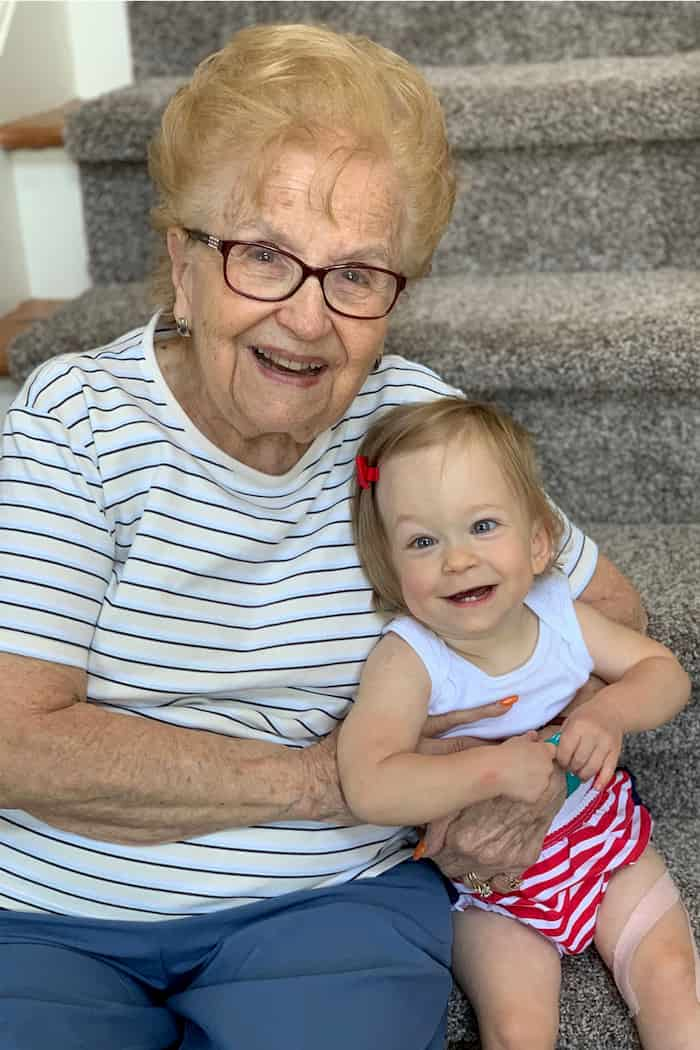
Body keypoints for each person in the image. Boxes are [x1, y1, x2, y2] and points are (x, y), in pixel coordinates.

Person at [0, 23, 647, 1050]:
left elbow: (607, 613)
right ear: (182, 264)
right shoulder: (74, 423)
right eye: (263, 256)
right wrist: (330, 780)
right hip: (45, 916)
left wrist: (525, 766)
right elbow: (17, 736)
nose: (307, 321)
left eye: (356, 276)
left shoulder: (413, 430)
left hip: (330, 905)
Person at [340, 397, 699, 1050]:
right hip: (491, 886)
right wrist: (490, 768)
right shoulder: (409, 659)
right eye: (424, 541)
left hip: (602, 842)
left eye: (483, 526)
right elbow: (368, 782)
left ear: (538, 543)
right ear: (391, 569)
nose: (457, 560)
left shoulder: (560, 615)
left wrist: (607, 710)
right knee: (516, 1029)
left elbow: (665, 673)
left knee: (672, 975)